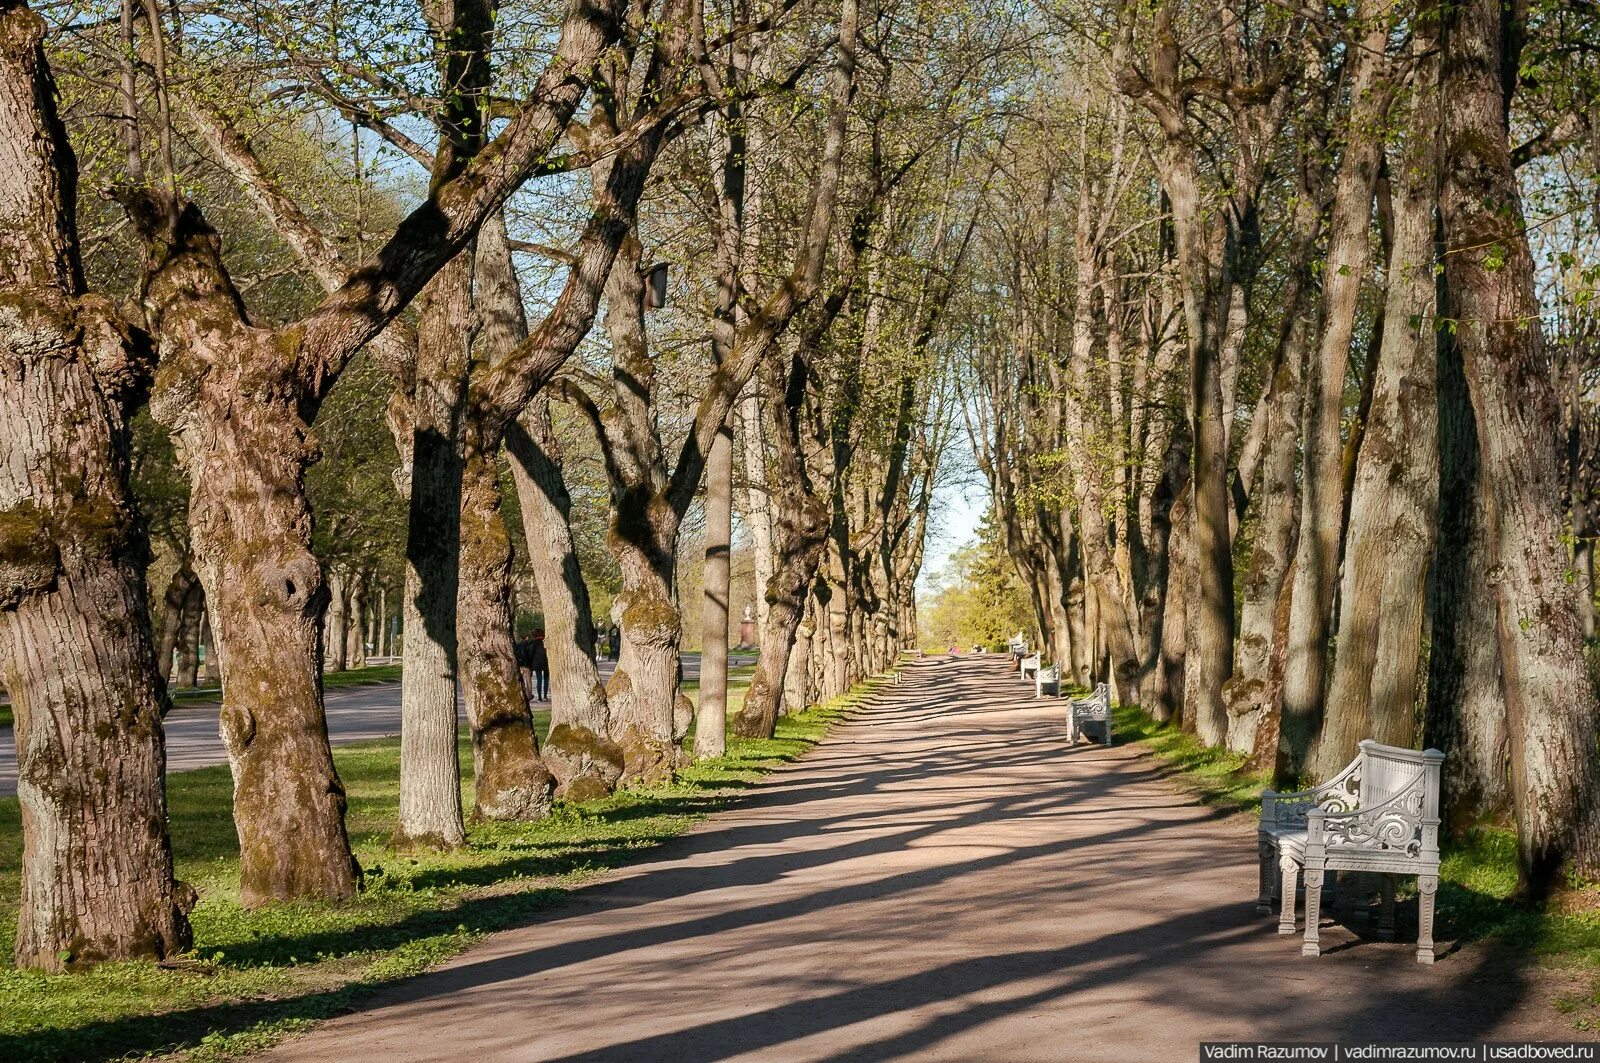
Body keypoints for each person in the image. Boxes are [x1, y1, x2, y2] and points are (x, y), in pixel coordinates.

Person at [530, 630, 550, 703]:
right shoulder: (546, 641)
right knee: (546, 680)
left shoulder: (534, 643)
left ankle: (539, 697)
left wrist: (530, 664)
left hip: (537, 663)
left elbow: (531, 653)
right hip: (547, 662)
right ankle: (545, 696)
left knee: (539, 680)